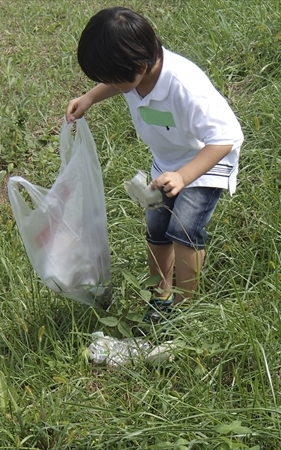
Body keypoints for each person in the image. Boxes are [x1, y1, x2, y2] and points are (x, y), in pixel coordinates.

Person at [66, 7, 244, 322]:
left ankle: (185, 303)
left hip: (205, 161)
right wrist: (91, 97)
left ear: (142, 66)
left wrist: (184, 175)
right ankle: (160, 292)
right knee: (157, 227)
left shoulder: (185, 87)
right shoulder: (134, 75)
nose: (113, 85)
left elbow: (226, 137)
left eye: (113, 80)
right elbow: (118, 81)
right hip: (168, 162)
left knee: (184, 229)